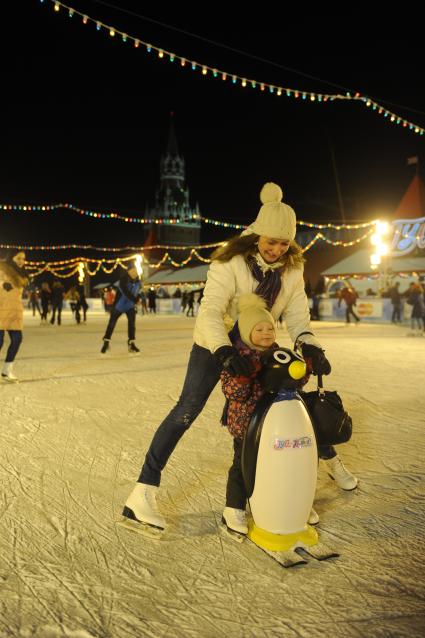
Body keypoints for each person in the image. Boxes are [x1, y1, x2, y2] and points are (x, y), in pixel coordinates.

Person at [123, 182, 357, 530]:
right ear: (257, 235)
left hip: (259, 347)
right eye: (270, 241)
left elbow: (297, 317)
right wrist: (222, 350)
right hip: (214, 346)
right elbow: (210, 311)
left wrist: (309, 345)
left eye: (284, 242)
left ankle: (294, 484)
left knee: (281, 412)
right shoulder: (230, 263)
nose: (277, 249)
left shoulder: (292, 270)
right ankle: (142, 492)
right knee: (186, 410)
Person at [220, 293, 319, 534]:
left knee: (284, 464)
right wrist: (243, 375)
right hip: (247, 425)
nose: (266, 333)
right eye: (259, 329)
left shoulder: (281, 354)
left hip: (279, 425)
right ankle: (234, 508)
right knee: (243, 465)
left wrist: (305, 368)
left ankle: (293, 503)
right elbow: (233, 392)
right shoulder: (237, 359)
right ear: (245, 332)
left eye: (270, 328)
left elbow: (295, 381)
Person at [0, 249, 29, 381]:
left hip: (15, 309)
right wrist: (1, 284)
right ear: (12, 258)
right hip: (1, 307)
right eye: (19, 258)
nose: (21, 261)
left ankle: (7, 371)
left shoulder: (23, 276)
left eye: (23, 259)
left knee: (17, 339)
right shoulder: (3, 268)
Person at [100, 263, 142, 354]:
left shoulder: (138, 280)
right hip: (119, 305)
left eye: (134, 270)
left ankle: (131, 344)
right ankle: (106, 342)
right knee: (112, 323)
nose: (133, 272)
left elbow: (138, 291)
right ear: (128, 271)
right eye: (131, 270)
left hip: (130, 306)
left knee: (132, 325)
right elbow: (125, 292)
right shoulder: (123, 280)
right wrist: (135, 299)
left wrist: (138, 297)